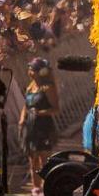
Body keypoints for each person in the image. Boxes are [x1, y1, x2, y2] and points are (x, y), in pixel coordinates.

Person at [19, 55, 59, 189]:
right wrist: (22, 119)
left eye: (32, 69)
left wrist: (40, 112)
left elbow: (55, 109)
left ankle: (47, 187)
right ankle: (36, 189)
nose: (30, 72)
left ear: (40, 72)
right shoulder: (30, 87)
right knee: (33, 160)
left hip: (44, 127)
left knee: (44, 159)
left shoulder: (48, 87)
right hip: (31, 127)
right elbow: (26, 105)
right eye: (29, 69)